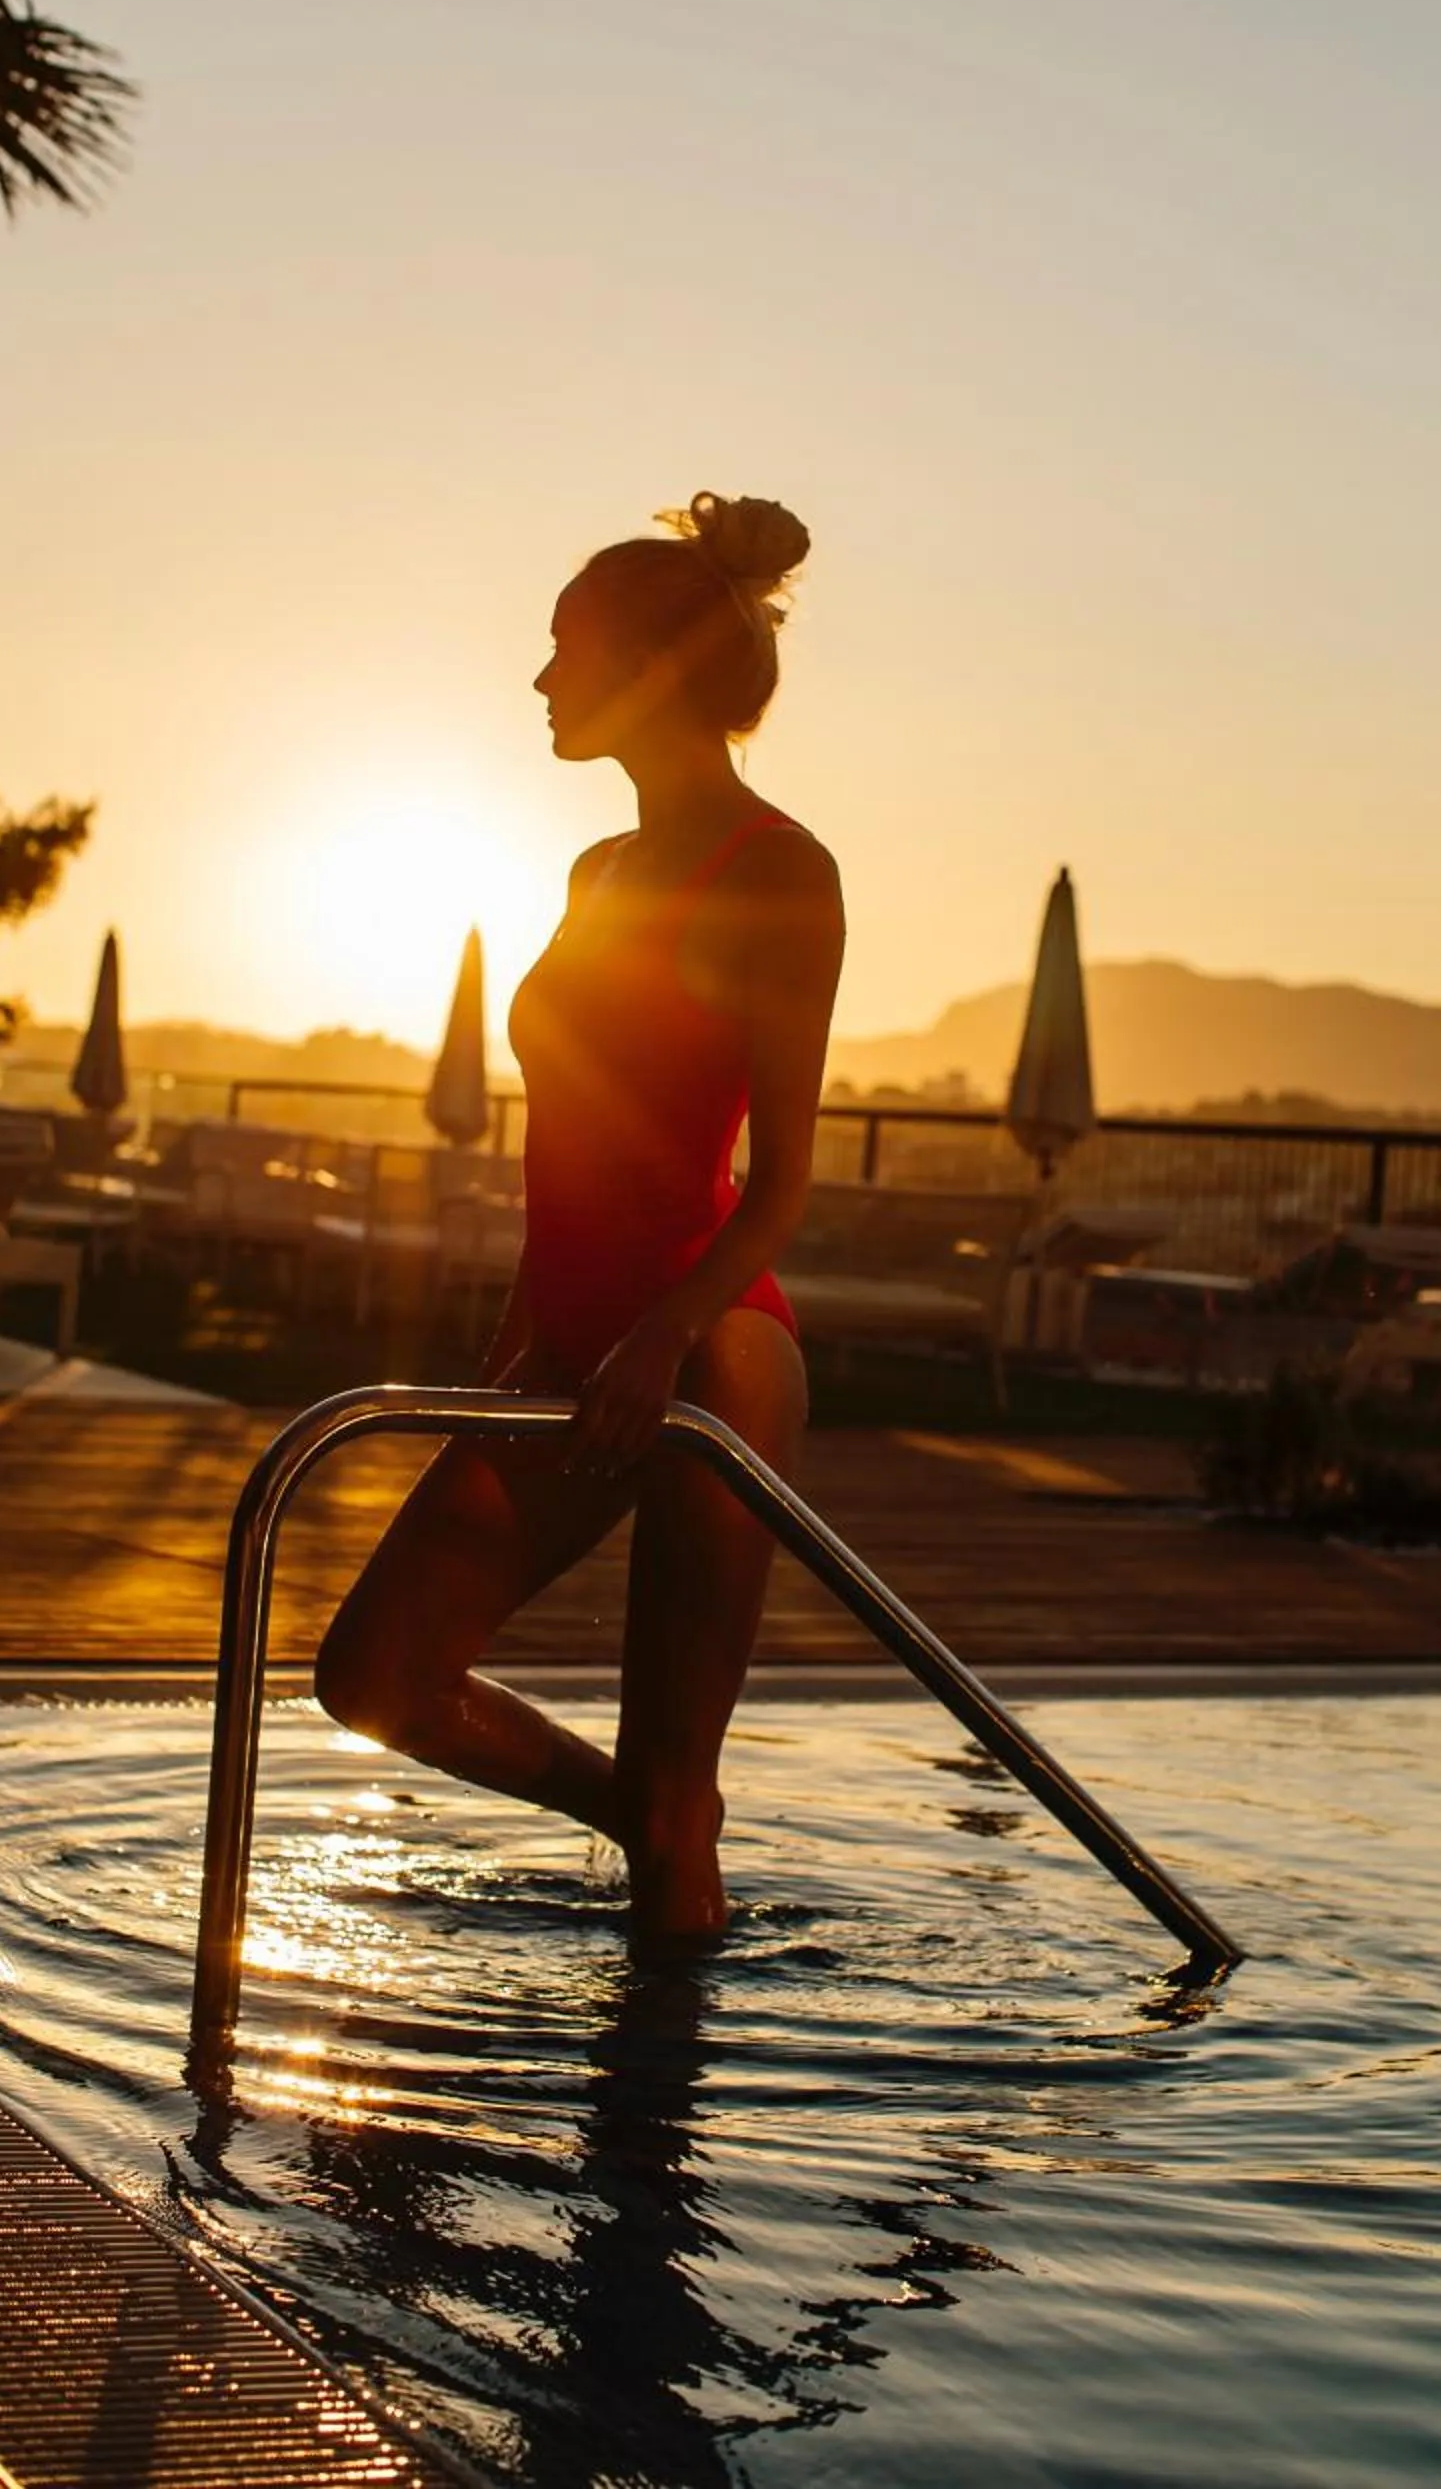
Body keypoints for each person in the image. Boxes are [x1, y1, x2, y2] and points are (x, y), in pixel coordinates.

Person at [315, 492, 844, 1947]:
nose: (542, 677)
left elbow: (784, 1181)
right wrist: (520, 1341)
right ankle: (657, 1821)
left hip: (709, 1353)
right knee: (376, 1677)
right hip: (570, 1340)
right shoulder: (597, 872)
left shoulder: (777, 868)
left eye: (566, 646)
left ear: (651, 669)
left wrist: (663, 1336)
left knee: (672, 1798)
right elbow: (568, 1137)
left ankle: (668, 1950)